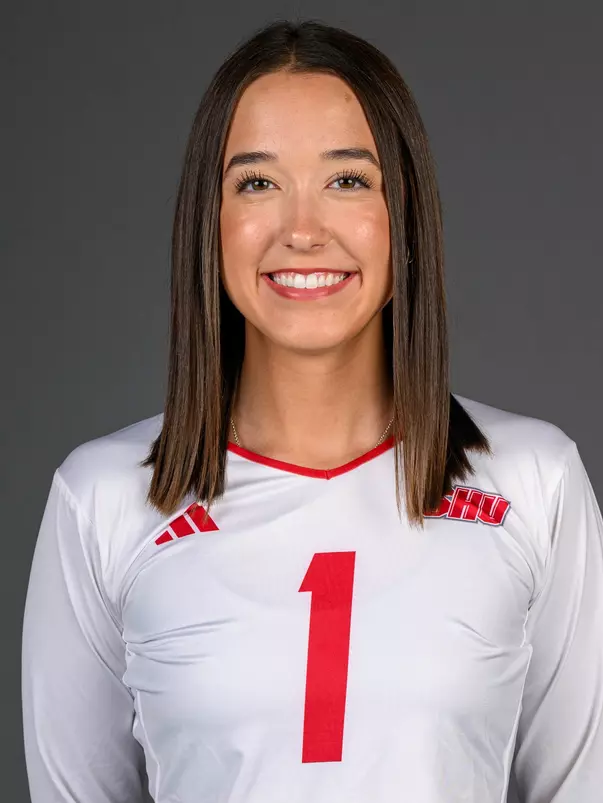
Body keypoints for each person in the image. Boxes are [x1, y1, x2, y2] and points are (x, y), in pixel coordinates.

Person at [21, 18, 603, 803]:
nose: (301, 230)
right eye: (256, 183)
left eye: (348, 179)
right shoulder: (102, 500)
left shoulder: (534, 484)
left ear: (405, 217)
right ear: (209, 221)